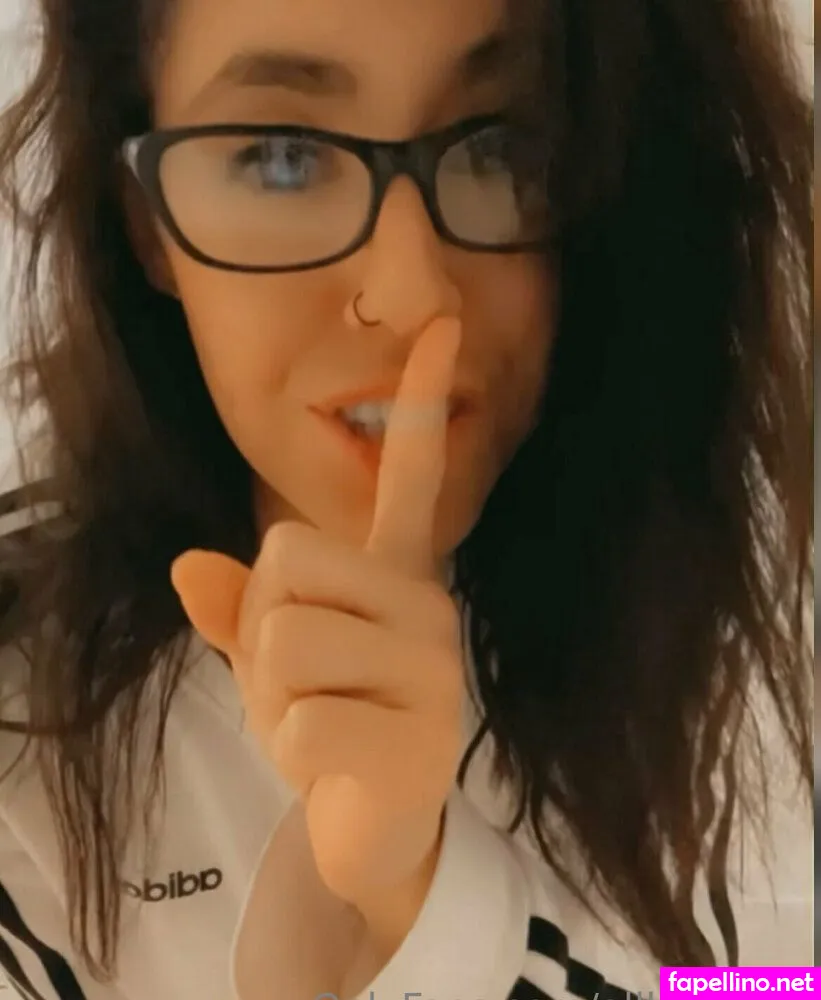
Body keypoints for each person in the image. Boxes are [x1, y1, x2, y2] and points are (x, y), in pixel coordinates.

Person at [0, 0, 812, 996]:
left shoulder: (731, 617)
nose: (412, 292)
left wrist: (420, 891)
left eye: (499, 148)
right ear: (147, 225)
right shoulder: (23, 729)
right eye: (281, 158)